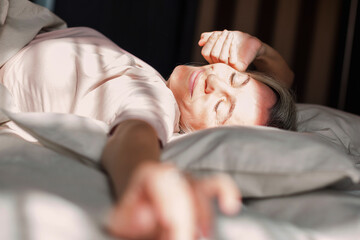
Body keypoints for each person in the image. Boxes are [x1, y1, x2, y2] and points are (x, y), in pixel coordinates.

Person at [0, 25, 296, 239]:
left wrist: (145, 174)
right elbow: (283, 83)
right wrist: (260, 50)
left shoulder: (156, 99)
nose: (214, 84)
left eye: (220, 108)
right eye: (233, 78)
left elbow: (137, 129)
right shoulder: (157, 82)